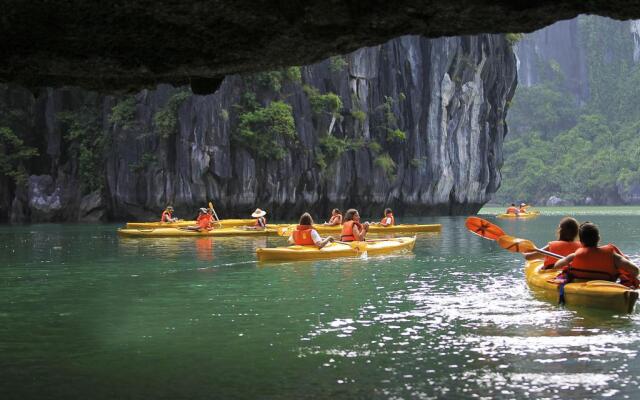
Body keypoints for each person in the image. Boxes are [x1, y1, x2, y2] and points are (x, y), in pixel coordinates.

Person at [554, 222, 639, 286]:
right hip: (607, 286)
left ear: (581, 241)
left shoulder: (574, 256)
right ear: (598, 238)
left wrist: (568, 261)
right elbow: (635, 271)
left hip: (581, 285)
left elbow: (557, 266)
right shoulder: (614, 257)